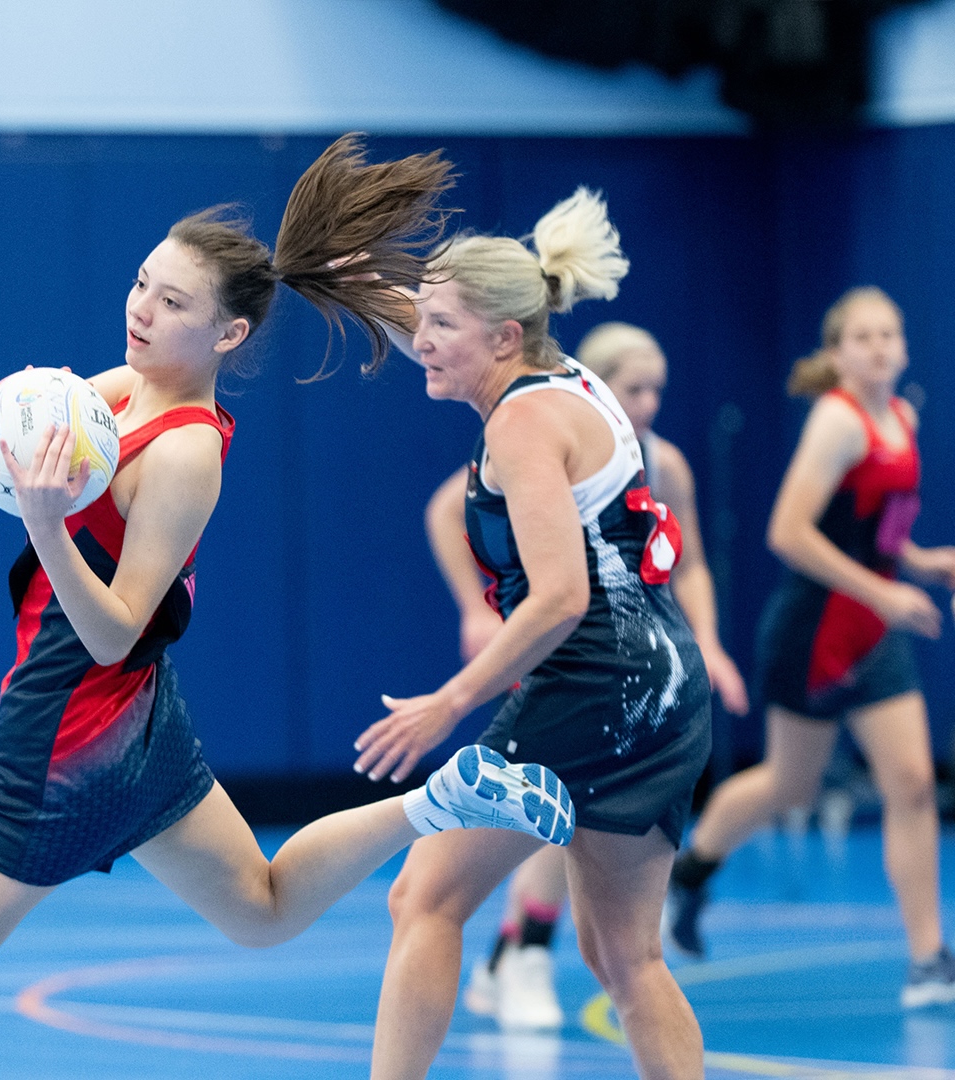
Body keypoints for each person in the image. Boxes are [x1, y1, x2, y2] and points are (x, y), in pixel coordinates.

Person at [0, 135, 574, 1080]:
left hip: (69, 735)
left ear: (228, 335)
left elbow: (110, 628)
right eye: (142, 283)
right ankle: (438, 800)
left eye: (172, 303)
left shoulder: (184, 452)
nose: (140, 309)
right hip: (142, 724)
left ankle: (435, 801)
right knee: (262, 910)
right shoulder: (124, 392)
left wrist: (48, 524)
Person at [361, 189, 711, 1078]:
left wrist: (449, 703)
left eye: (441, 325)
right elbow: (431, 319)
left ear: (503, 337)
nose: (421, 341)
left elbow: (558, 598)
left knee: (424, 897)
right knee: (626, 958)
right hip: (664, 681)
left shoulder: (518, 424)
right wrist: (352, 280)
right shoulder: (567, 379)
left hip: (596, 682)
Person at [425, 320, 750, 1031]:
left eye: (659, 388)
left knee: (584, 852)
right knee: (547, 817)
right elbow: (448, 512)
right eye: (636, 386)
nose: (651, 402)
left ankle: (513, 951)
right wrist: (473, 610)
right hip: (560, 652)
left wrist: (712, 644)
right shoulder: (540, 432)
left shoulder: (664, 464)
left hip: (630, 663)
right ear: (599, 383)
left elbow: (686, 564)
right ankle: (527, 951)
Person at [665, 287, 955, 1007]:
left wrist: (918, 562)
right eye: (863, 337)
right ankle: (693, 869)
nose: (881, 346)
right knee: (789, 786)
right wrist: (885, 593)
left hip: (871, 632)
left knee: (913, 782)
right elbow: (788, 532)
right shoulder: (836, 420)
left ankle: (928, 960)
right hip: (815, 628)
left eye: (890, 333)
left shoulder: (904, 417)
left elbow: (872, 530)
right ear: (836, 354)